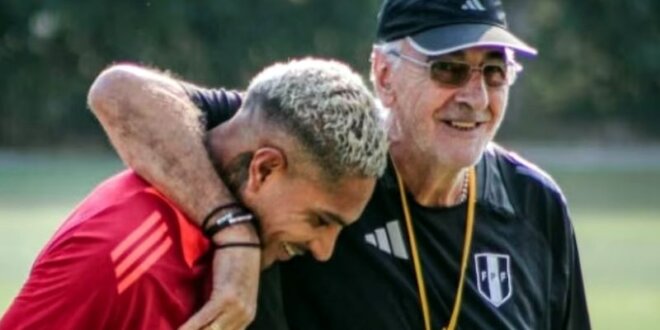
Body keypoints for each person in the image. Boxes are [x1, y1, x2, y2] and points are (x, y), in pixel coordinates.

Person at [82, 1, 592, 329]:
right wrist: (232, 228)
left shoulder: (536, 204)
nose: (475, 96)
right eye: (449, 69)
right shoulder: (318, 151)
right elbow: (121, 94)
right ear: (384, 74)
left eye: (495, 73)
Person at [0, 58, 388, 330]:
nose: (324, 251)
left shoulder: (246, 231)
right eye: (319, 220)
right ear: (264, 169)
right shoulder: (124, 252)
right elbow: (116, 87)